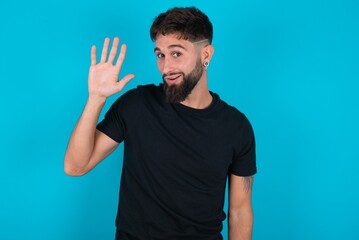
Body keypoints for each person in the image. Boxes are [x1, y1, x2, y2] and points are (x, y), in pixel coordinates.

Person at [64, 6, 256, 240]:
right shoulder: (136, 105)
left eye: (177, 53)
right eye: (160, 55)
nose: (166, 68)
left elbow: (239, 212)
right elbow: (75, 166)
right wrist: (96, 98)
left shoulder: (236, 127)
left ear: (206, 55)